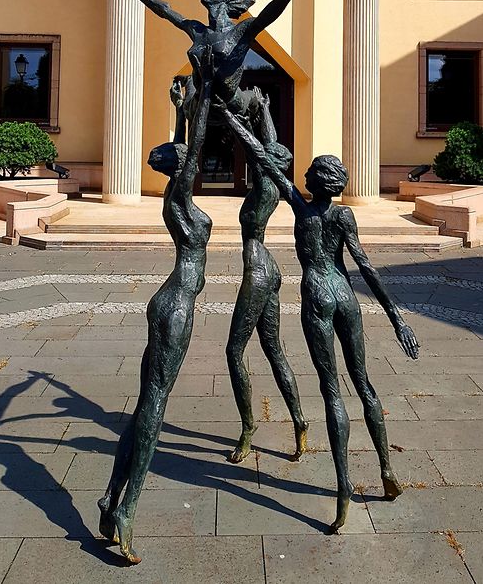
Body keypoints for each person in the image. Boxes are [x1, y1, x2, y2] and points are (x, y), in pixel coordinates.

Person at [219, 102, 420, 534]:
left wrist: (232, 119)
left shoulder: (301, 207)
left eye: (309, 172)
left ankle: (344, 489)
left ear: (316, 181)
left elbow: (261, 155)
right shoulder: (344, 215)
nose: (304, 175)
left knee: (333, 393)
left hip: (318, 295)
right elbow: (365, 266)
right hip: (346, 295)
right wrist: (396, 317)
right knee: (364, 385)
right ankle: (386, 470)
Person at [97, 46, 214, 565]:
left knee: (147, 400)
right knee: (155, 408)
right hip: (176, 308)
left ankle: (110, 498)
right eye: (188, 160)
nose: (195, 161)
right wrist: (199, 95)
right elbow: (195, 145)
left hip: (166, 301)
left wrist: (180, 106)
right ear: (181, 169)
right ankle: (127, 511)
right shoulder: (180, 197)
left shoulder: (175, 196)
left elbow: (186, 148)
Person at [111, 0, 346, 127]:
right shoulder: (197, 30)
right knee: (190, 101)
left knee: (241, 106)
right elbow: (164, 10)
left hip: (232, 106)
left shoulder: (244, 30)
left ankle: (256, 111)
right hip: (203, 102)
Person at [225, 87, 308, 464]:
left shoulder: (263, 185)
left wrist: (230, 117)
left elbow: (257, 147)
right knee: (274, 350)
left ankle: (248, 428)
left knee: (234, 351)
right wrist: (265, 108)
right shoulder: (274, 184)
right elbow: (269, 145)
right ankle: (300, 421)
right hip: (269, 267)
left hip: (258, 270)